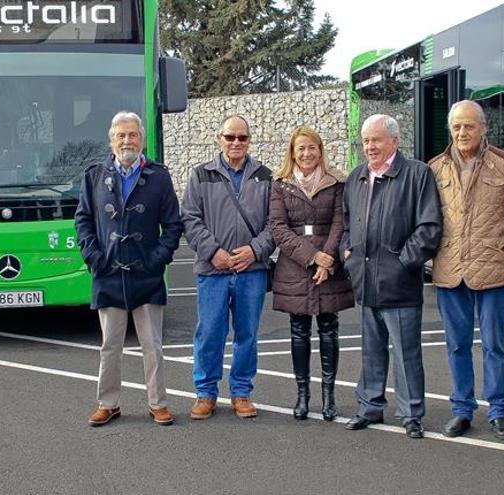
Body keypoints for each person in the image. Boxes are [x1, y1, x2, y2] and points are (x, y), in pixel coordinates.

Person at [75, 111, 183, 427]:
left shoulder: (159, 177)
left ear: (142, 139)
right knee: (110, 345)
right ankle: (108, 404)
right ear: (112, 140)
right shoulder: (93, 176)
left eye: (133, 135)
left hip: (146, 275)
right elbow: (82, 220)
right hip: (107, 273)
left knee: (153, 346)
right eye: (121, 135)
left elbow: (173, 225)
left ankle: (158, 403)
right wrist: (94, 257)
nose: (127, 141)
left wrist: (157, 260)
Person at [340, 114, 442, 438]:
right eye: (366, 140)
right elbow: (346, 223)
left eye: (377, 140)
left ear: (394, 142)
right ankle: (369, 406)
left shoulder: (417, 174)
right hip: (366, 281)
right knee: (371, 350)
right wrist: (348, 254)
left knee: (406, 353)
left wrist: (402, 263)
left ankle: (411, 413)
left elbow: (429, 228)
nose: (370, 146)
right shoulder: (356, 177)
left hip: (399, 283)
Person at [428, 100, 504, 440]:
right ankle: (462, 409)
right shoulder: (434, 169)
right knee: (457, 344)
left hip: (493, 268)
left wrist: (499, 245)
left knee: (495, 344)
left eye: (469, 126)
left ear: (483, 128)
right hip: (451, 270)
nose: (462, 133)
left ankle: (499, 411)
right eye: (457, 127)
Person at [181, 115, 276, 420]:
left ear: (250, 140)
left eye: (242, 138)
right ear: (219, 138)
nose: (236, 143)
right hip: (213, 271)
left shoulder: (265, 176)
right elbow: (190, 220)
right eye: (230, 137)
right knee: (210, 332)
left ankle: (241, 392)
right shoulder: (201, 175)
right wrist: (213, 252)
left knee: (247, 334)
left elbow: (275, 224)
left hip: (252, 270)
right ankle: (206, 392)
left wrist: (254, 250)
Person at [269, 126, 354, 421]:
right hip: (295, 266)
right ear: (292, 152)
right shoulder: (280, 184)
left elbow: (339, 222)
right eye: (301, 148)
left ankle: (328, 396)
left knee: (329, 329)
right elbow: (278, 228)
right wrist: (312, 257)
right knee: (299, 332)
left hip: (330, 268)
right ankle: (302, 395)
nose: (307, 154)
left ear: (321, 150)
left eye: (312, 148)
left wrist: (327, 259)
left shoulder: (336, 183)